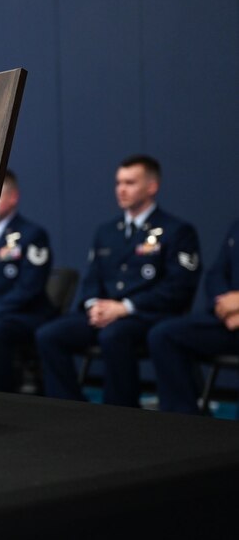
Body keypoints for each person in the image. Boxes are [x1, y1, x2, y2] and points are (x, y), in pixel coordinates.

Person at [35, 155, 201, 407]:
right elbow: (92, 279)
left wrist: (124, 308)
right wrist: (93, 306)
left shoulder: (177, 230)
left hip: (147, 315)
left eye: (130, 182)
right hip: (105, 313)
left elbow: (178, 287)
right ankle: (69, 408)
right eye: (118, 182)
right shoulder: (107, 231)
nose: (121, 189)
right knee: (49, 334)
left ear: (151, 187)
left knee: (113, 335)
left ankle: (121, 411)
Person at [0, 170, 55, 391]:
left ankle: (2, 399)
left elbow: (28, 289)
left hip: (24, 314)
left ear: (13, 197)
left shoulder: (32, 234)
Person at [148, 218, 239, 413]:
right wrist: (222, 305)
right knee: (164, 335)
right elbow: (216, 274)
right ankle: (184, 423)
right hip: (228, 320)